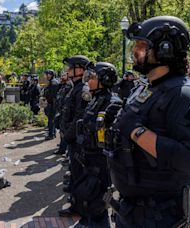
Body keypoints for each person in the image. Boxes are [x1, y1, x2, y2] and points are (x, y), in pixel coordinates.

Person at [105, 16, 190, 227]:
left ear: (165, 49)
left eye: (142, 45)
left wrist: (136, 131)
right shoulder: (146, 88)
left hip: (162, 216)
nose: (135, 51)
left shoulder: (185, 95)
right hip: (134, 211)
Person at [73, 62, 119, 228]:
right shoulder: (95, 100)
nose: (88, 81)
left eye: (92, 77)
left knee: (98, 202)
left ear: (104, 79)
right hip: (89, 159)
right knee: (87, 197)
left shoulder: (112, 103)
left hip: (102, 163)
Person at [58, 55, 93, 217]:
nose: (68, 70)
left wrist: (68, 136)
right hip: (72, 139)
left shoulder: (83, 89)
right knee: (74, 172)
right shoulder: (76, 87)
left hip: (76, 140)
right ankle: (76, 203)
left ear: (80, 69)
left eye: (71, 67)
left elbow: (80, 116)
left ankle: (79, 208)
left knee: (79, 174)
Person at [54, 71, 73, 155]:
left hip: (65, 111)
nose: (62, 77)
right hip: (61, 110)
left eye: (64, 75)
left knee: (65, 131)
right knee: (61, 130)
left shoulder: (69, 85)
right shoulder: (63, 85)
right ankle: (62, 147)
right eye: (61, 75)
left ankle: (65, 150)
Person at [43, 69, 59, 140]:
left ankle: (51, 134)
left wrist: (47, 97)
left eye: (47, 74)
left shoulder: (53, 82)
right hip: (51, 103)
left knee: (51, 120)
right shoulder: (51, 82)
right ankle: (52, 133)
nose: (46, 75)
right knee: (51, 119)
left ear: (51, 74)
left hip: (52, 103)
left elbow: (52, 94)